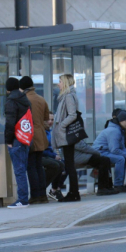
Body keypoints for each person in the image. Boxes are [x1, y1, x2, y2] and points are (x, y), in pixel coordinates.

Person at [20, 76, 50, 204]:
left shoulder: (24, 99)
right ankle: (43, 195)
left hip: (30, 135)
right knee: (39, 166)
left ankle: (35, 195)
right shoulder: (41, 99)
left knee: (31, 166)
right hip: (41, 135)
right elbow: (46, 117)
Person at [93, 111, 126, 192]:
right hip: (100, 152)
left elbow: (122, 147)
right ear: (121, 121)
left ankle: (120, 184)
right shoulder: (114, 131)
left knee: (125, 158)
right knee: (120, 159)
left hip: (106, 151)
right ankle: (118, 184)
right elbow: (114, 150)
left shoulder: (119, 130)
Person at [52, 74, 81, 202]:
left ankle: (74, 193)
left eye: (60, 82)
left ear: (65, 83)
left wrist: (62, 125)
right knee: (69, 165)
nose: (58, 84)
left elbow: (73, 115)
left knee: (69, 165)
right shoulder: (66, 96)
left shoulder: (68, 96)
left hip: (66, 135)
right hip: (65, 135)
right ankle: (74, 193)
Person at [4, 77, 31, 208]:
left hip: (15, 139)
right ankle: (24, 197)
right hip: (25, 137)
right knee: (23, 169)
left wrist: (8, 140)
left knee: (19, 170)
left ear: (8, 88)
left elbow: (10, 122)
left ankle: (22, 199)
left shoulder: (11, 101)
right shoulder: (24, 99)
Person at [42, 113, 66, 201]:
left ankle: (55, 189)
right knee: (58, 165)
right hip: (43, 155)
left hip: (49, 155)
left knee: (64, 164)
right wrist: (54, 155)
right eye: (48, 119)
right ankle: (47, 188)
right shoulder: (43, 132)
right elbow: (44, 150)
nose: (50, 122)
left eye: (52, 120)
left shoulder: (50, 132)